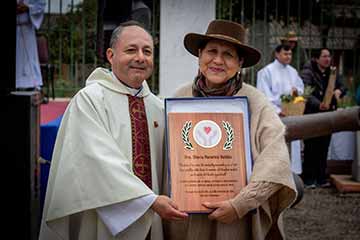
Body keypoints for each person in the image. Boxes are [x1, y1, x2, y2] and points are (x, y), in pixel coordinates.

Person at [39, 21, 187, 240]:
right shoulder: (90, 100)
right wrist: (149, 201)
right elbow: (97, 162)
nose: (140, 57)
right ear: (110, 55)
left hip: (154, 217)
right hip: (103, 222)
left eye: (147, 51)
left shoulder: (158, 107)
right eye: (130, 50)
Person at [163, 19, 297, 240]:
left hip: (236, 219)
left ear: (240, 62)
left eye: (228, 54)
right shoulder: (179, 99)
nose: (217, 60)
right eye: (211, 51)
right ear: (199, 56)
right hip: (186, 217)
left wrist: (240, 204)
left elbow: (276, 160)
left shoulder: (256, 102)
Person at [300, 48, 347, 188]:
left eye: (329, 56)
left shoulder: (332, 72)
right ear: (317, 59)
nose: (327, 59)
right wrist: (317, 104)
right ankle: (308, 179)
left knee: (323, 147)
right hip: (312, 114)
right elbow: (305, 92)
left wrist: (340, 90)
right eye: (324, 56)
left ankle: (321, 178)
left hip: (328, 115)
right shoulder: (308, 72)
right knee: (311, 147)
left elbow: (343, 86)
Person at [256, 44, 304, 175]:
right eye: (285, 54)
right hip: (275, 115)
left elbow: (300, 89)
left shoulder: (293, 71)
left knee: (292, 146)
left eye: (290, 54)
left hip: (291, 114)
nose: (288, 57)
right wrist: (278, 110)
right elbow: (263, 95)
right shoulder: (266, 72)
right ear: (277, 54)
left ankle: (293, 174)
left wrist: (296, 94)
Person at [16, 0, 45, 92]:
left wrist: (28, 8)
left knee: (28, 58)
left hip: (27, 29)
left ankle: (31, 84)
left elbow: (40, 5)